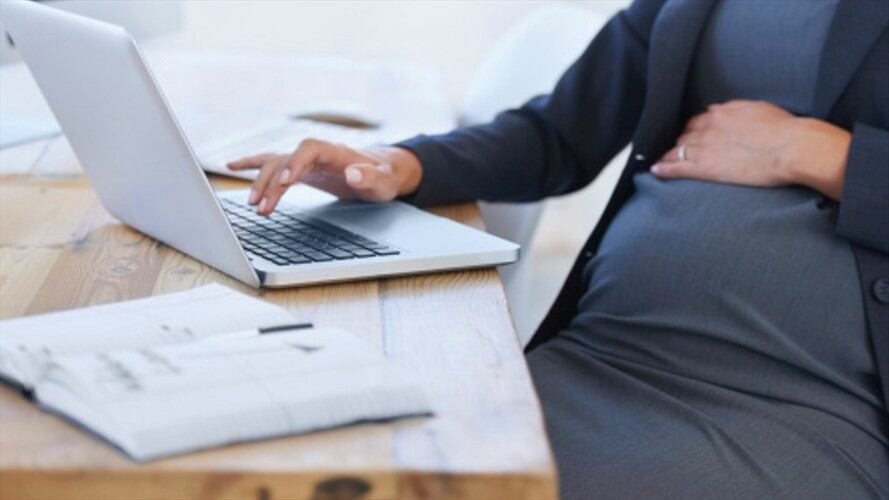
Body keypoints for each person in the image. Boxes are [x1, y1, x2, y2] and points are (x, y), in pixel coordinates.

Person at [229, 0, 889, 497]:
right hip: (606, 351)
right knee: (354, 457)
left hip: (796, 402)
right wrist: (401, 165)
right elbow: (559, 133)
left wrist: (825, 155)